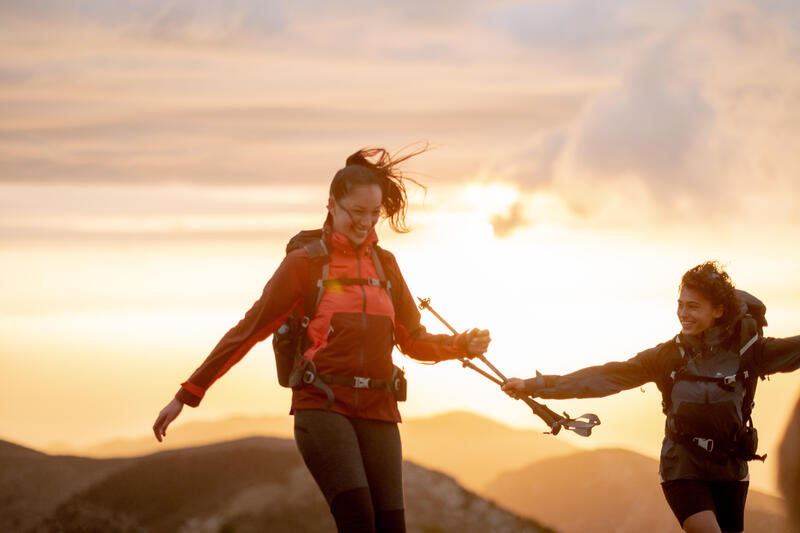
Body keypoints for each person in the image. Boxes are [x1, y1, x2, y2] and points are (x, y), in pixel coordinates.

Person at [153, 147, 491, 533]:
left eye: (373, 213)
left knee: (391, 528)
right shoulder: (306, 264)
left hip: (379, 408)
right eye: (355, 212)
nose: (365, 223)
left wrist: (462, 344)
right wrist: (187, 394)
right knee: (359, 524)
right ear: (331, 205)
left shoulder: (386, 265)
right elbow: (248, 330)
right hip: (323, 406)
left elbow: (412, 339)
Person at [503, 261, 800, 533]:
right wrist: (536, 385)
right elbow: (604, 376)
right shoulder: (666, 357)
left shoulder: (750, 353)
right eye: (681, 305)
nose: (683, 314)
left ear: (718, 310)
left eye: (693, 307)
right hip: (681, 465)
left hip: (731, 468)